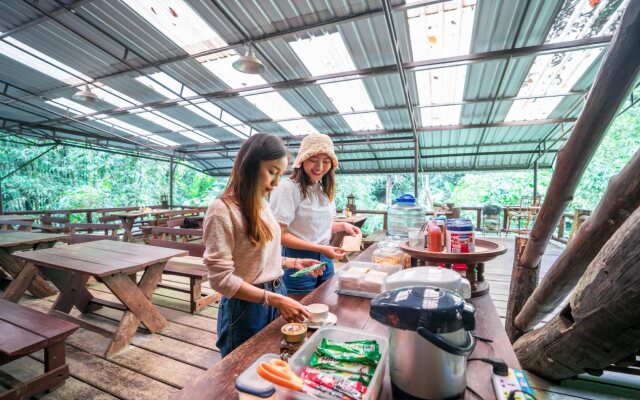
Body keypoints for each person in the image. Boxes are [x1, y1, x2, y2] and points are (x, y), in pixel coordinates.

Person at [203, 133, 324, 357]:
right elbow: (220, 280)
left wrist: (294, 262)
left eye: (280, 174)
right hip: (246, 307)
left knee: (271, 359)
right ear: (250, 164)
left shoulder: (261, 204)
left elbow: (258, 258)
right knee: (239, 367)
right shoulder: (222, 209)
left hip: (276, 293)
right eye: (272, 172)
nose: (276, 183)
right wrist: (273, 299)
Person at [269, 133, 360, 299]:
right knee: (298, 313)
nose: (320, 166)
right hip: (296, 259)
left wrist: (343, 226)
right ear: (302, 160)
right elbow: (278, 235)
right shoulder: (288, 188)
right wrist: (321, 248)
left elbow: (320, 224)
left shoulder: (323, 190)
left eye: (326, 161)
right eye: (314, 159)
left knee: (326, 304)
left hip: (325, 259)